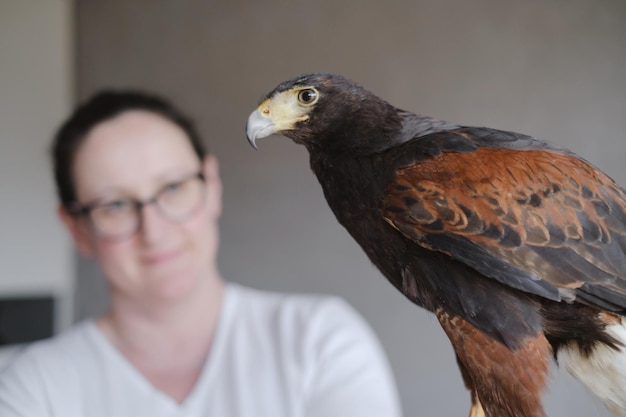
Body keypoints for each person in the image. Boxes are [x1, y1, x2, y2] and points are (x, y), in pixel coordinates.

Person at [0, 90, 403, 417]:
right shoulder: (31, 386)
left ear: (211, 186)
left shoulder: (318, 341)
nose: (154, 232)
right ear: (77, 229)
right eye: (116, 206)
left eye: (173, 188)